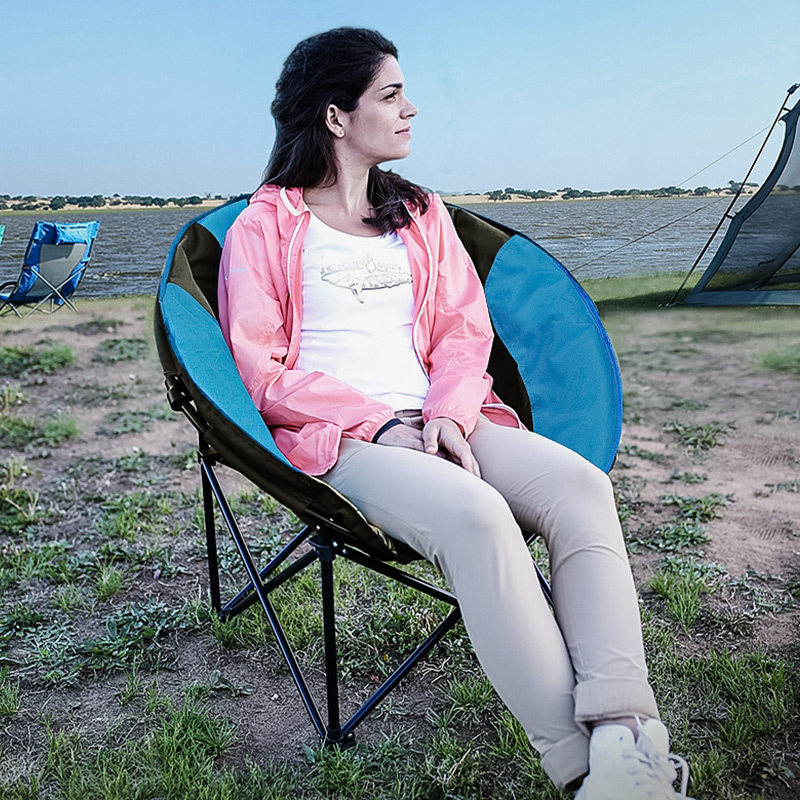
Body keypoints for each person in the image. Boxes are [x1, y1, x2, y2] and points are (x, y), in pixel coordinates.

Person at [217, 27, 694, 800]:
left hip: (451, 416)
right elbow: (259, 371)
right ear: (337, 116)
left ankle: (622, 736)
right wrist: (380, 426)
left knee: (581, 489)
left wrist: (444, 412)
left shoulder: (419, 213)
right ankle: (585, 773)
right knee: (478, 517)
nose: (411, 108)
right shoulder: (263, 227)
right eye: (391, 94)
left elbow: (465, 331)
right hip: (344, 441)